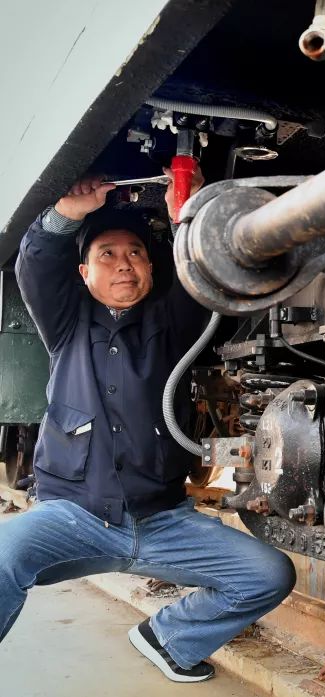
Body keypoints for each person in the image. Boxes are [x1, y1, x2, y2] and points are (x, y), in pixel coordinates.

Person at [0, 173, 296, 683]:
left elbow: (198, 273)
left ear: (150, 266)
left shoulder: (173, 323)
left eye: (134, 253)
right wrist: (68, 212)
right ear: (84, 272)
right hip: (75, 517)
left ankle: (170, 637)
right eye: (107, 255)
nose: (123, 264)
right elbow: (37, 262)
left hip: (164, 523)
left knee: (269, 575)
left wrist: (191, 211)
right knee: (3, 555)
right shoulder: (67, 323)